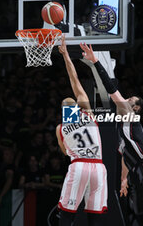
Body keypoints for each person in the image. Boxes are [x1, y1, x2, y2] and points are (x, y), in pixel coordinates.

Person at [80, 43, 143, 226]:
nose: (125, 100)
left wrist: (95, 62)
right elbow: (125, 156)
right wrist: (124, 178)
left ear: (136, 107)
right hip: (135, 173)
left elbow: (110, 88)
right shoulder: (120, 129)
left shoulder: (130, 115)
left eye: (129, 99)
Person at [55, 35, 108, 226]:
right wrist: (66, 55)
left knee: (67, 213)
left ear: (63, 112)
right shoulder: (87, 113)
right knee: (95, 215)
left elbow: (64, 151)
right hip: (99, 167)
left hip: (78, 165)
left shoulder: (60, 128)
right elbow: (74, 80)